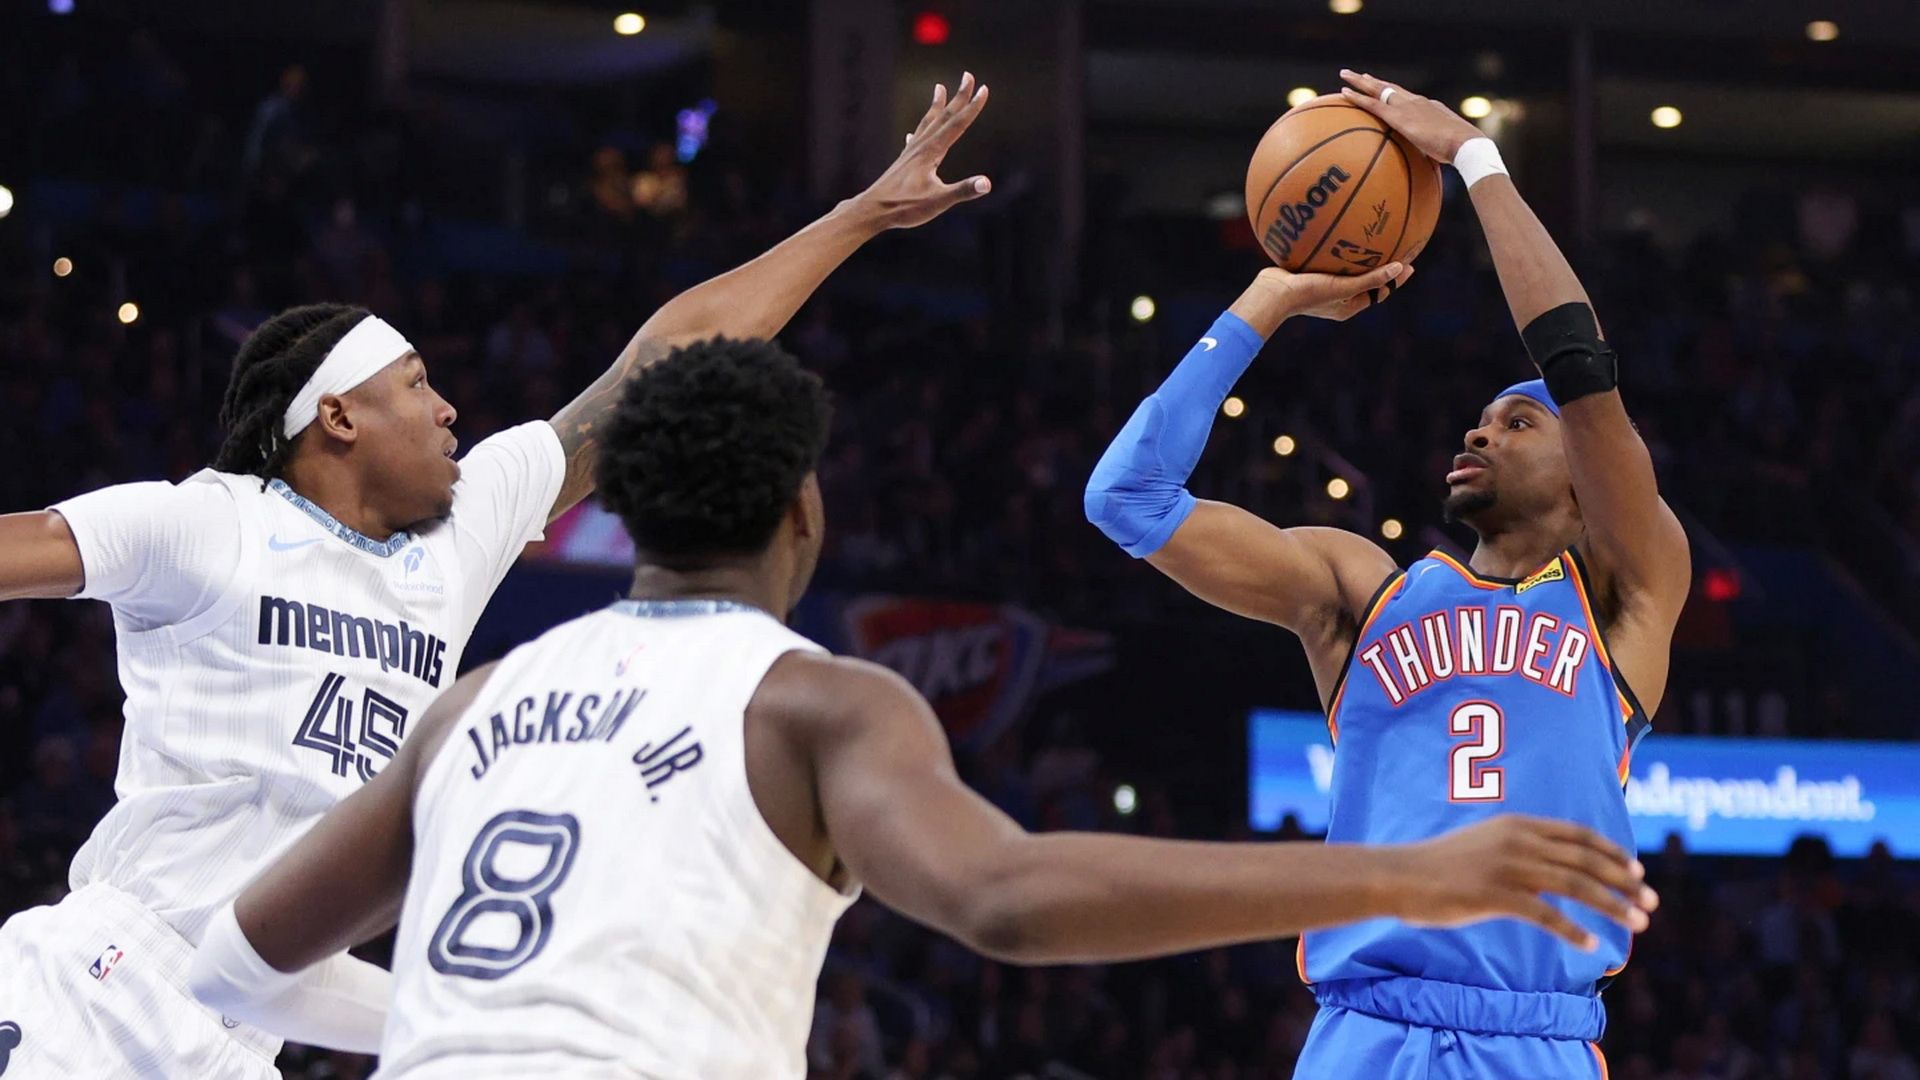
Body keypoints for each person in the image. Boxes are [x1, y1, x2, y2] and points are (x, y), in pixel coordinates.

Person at [187, 335, 1656, 1078]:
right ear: (805, 516)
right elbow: (1007, 899)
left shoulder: (473, 706)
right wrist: (1410, 876)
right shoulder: (816, 705)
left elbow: (238, 961)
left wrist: (467, 1034)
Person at [0, 71, 998, 1080]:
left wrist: (861, 216)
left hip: (244, 1026)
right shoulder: (201, 523)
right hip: (96, 993)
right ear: (337, 417)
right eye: (416, 385)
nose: (447, 409)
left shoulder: (458, 529)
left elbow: (661, 361)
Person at [1083, 70, 1691, 1080]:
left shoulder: (1622, 596)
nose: (1479, 432)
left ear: (1583, 478)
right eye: (1481, 420)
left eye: (1517, 422)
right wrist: (1269, 300)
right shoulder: (1362, 590)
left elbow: (1579, 366)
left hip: (1537, 1037)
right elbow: (1126, 499)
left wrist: (1475, 158)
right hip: (1369, 1030)